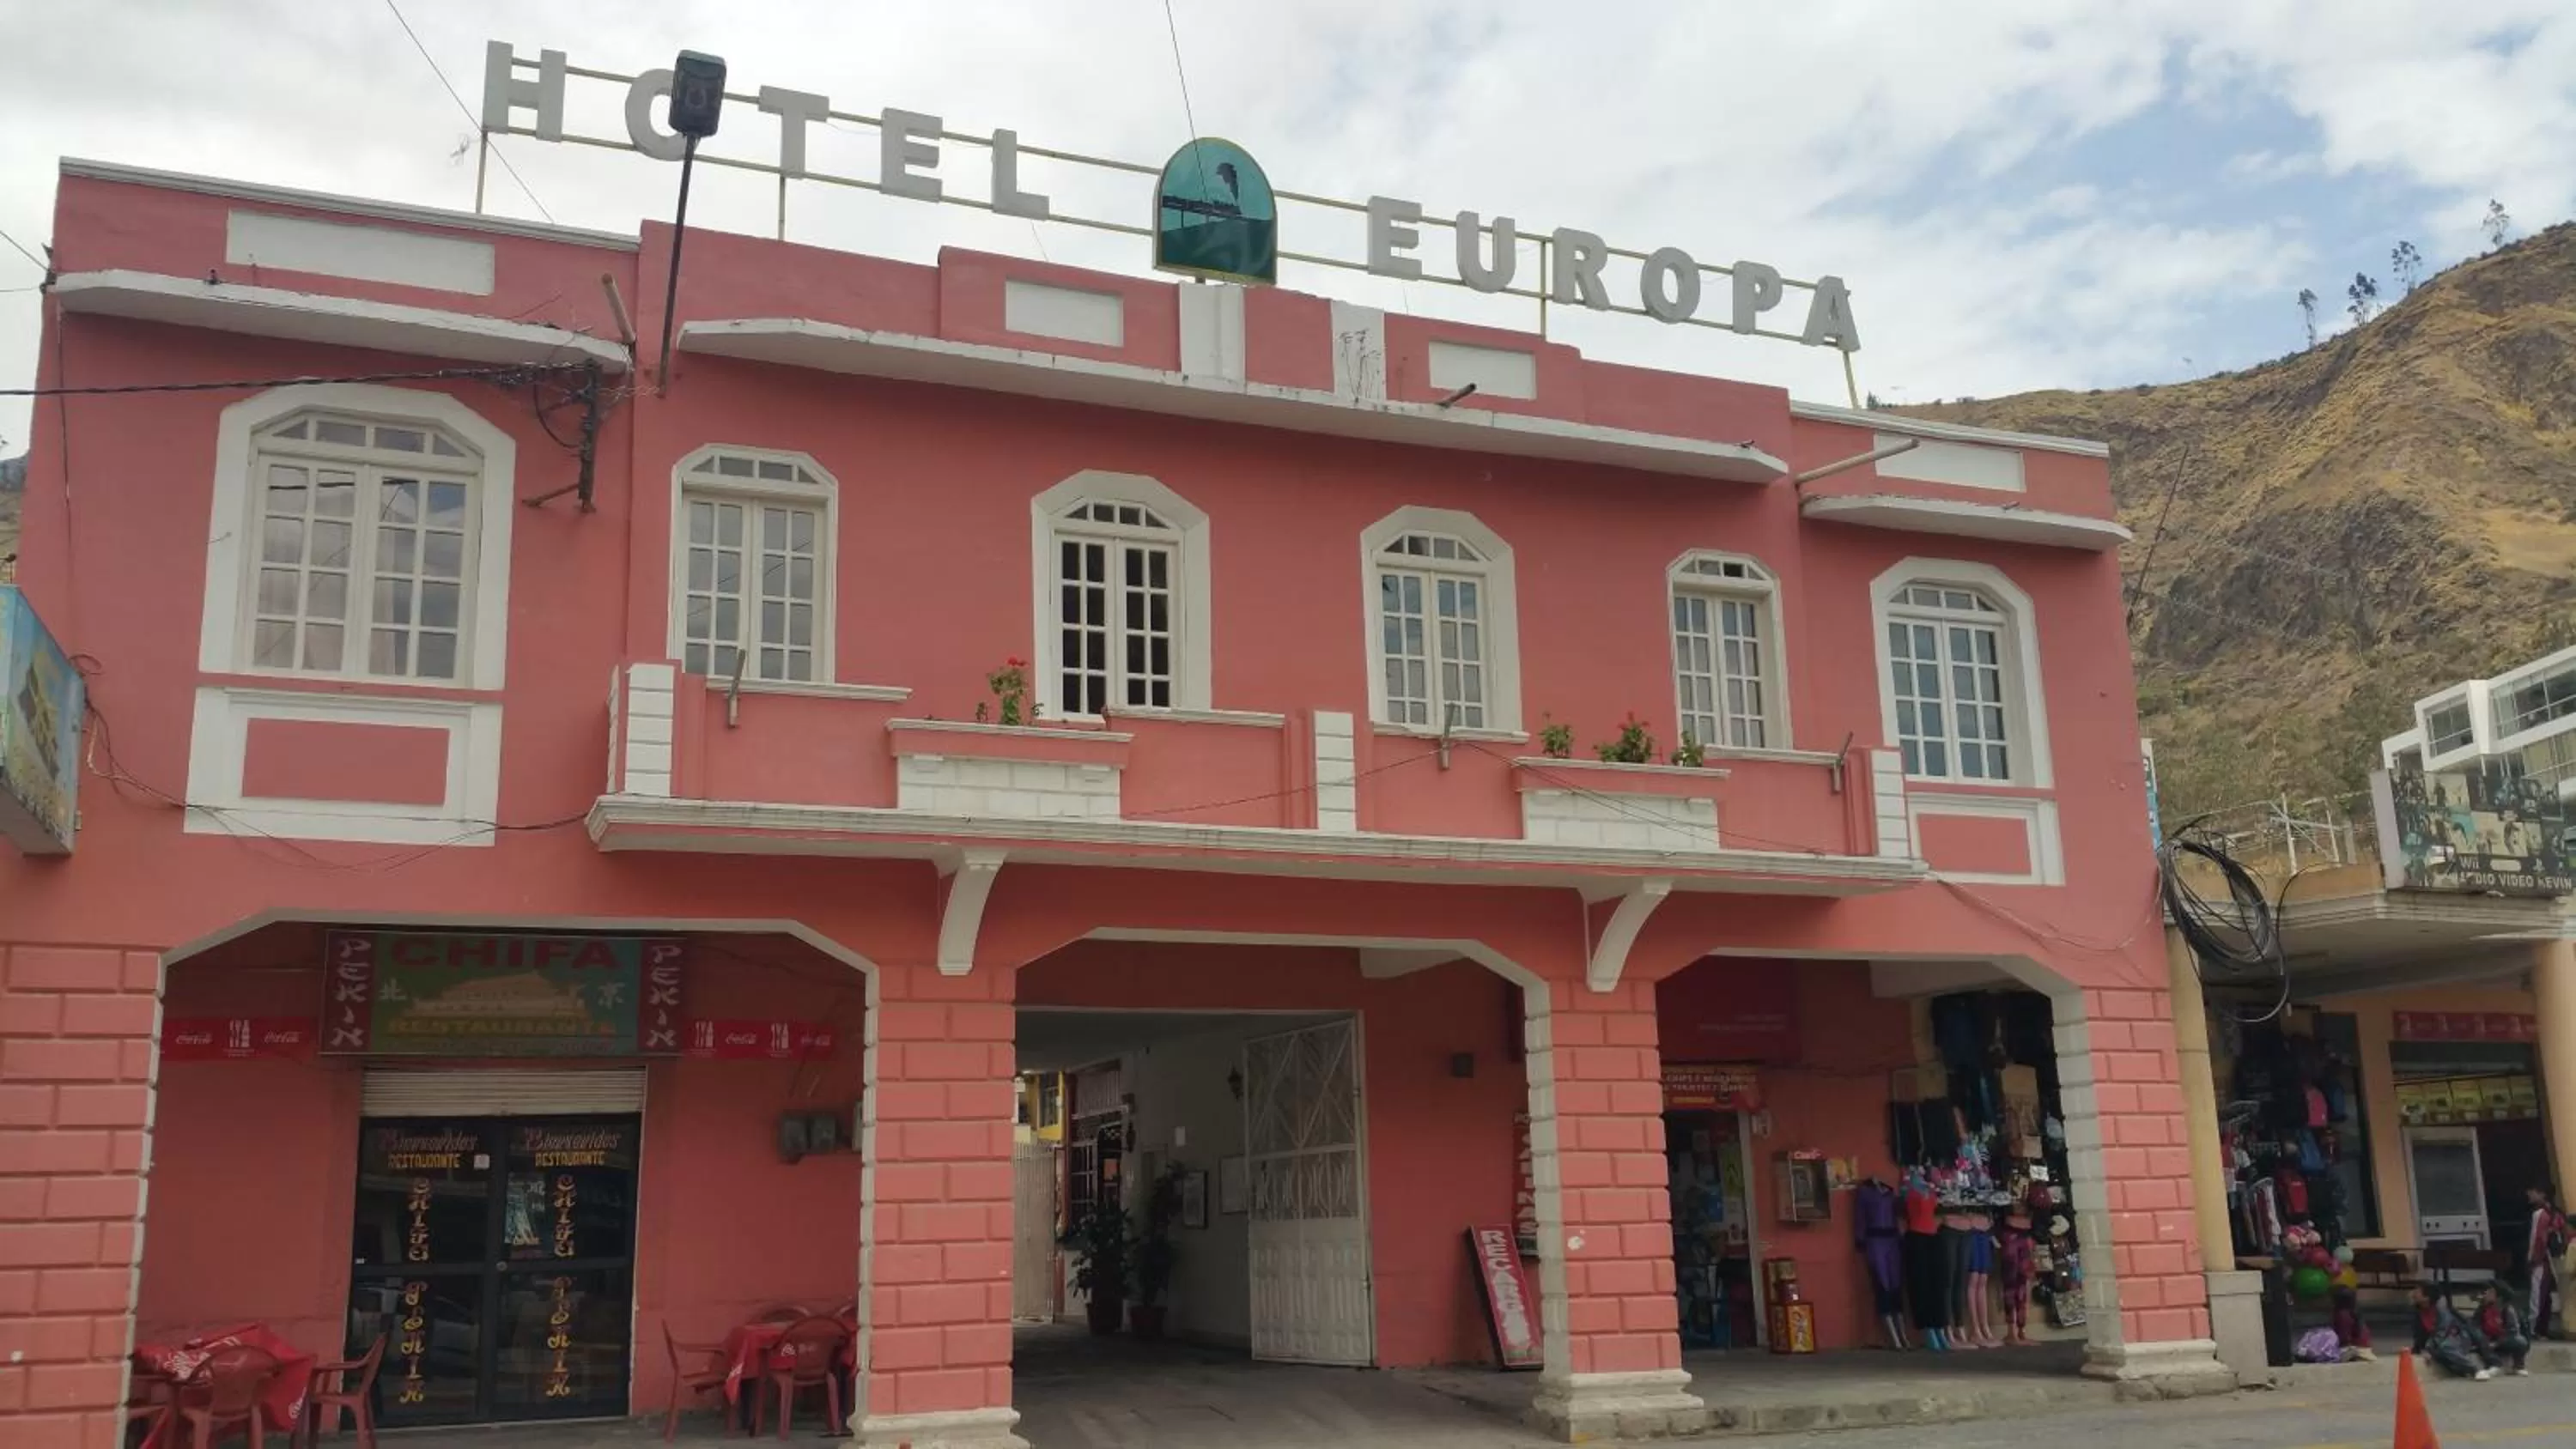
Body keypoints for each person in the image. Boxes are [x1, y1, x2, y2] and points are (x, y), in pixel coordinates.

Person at [2412, 1282, 2496, 1381]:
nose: (2413, 1294)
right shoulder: (2418, 1313)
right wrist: (2421, 1349)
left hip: (2458, 1337)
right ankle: (2461, 1370)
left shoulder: (2442, 1310)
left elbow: (2442, 1332)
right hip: (2439, 1341)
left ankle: (2475, 1370)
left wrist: (2428, 1348)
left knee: (2445, 1347)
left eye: (2417, 1292)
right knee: (2439, 1351)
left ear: (2427, 1297)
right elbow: (2420, 1335)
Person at [2526, 1185, 2567, 1337]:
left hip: (2542, 1261)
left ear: (2542, 1194)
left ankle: (2534, 1329)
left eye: (2532, 1191)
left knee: (2537, 1295)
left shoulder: (2539, 1214)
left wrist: (2532, 1260)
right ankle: (2543, 1328)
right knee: (2548, 1295)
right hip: (2555, 1260)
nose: (2528, 1193)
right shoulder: (2557, 1214)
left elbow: (2537, 1239)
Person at [2474, 1280, 2531, 1376]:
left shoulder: (2507, 1310)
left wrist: (2497, 1343)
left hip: (2503, 1340)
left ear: (2499, 1296)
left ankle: (2518, 1366)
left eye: (2490, 1292)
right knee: (2482, 1344)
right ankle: (2493, 1365)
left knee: (2521, 1342)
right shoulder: (2482, 1309)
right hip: (2488, 1339)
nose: (2486, 1294)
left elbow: (2512, 1331)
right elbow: (2475, 1326)